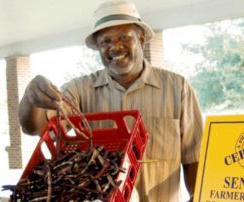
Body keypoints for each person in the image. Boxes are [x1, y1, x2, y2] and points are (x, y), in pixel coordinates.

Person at [18, 0, 203, 201]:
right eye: (105, 41)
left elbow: (194, 156)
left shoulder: (177, 87)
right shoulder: (79, 90)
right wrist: (30, 98)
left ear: (141, 39)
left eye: (124, 37)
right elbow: (37, 127)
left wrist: (198, 195)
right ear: (98, 47)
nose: (115, 47)